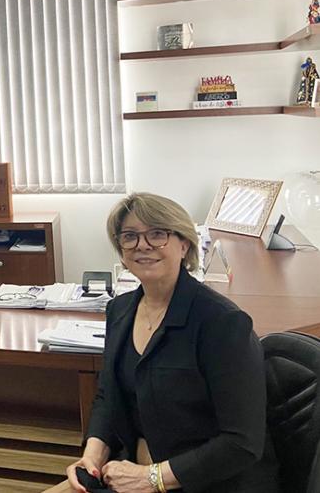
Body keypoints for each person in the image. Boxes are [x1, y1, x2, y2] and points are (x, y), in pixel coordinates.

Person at [64, 193, 278, 493]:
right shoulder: (120, 310)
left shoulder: (222, 322)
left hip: (207, 483)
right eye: (130, 236)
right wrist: (92, 458)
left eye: (157, 234)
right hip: (131, 475)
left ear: (184, 244)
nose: (143, 245)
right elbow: (108, 398)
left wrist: (151, 478)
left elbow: (242, 443)